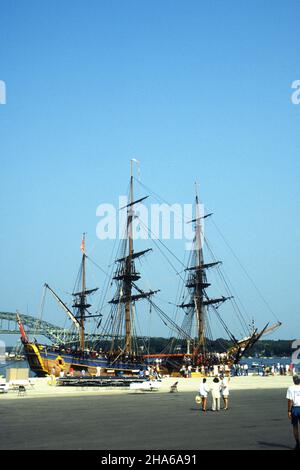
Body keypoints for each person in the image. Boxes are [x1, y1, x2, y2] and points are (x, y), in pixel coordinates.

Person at [286, 375, 300, 451]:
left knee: (295, 426)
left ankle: (298, 443)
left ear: (293, 381)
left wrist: (289, 411)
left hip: (295, 409)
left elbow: (289, 400)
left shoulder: (290, 388)